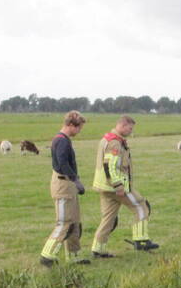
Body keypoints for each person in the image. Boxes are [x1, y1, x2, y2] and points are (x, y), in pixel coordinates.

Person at [90, 115, 159, 257]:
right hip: (116, 187)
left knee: (108, 218)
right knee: (141, 206)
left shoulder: (107, 138)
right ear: (122, 125)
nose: (131, 131)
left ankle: (98, 249)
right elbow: (110, 166)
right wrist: (118, 185)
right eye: (130, 128)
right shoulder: (115, 143)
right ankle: (141, 240)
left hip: (104, 187)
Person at [39, 111, 89, 266]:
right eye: (79, 128)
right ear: (71, 125)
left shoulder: (64, 140)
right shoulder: (62, 141)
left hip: (68, 184)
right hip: (63, 184)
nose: (79, 131)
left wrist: (75, 182)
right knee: (64, 222)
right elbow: (62, 163)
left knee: (74, 222)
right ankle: (47, 255)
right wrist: (75, 179)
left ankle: (74, 256)